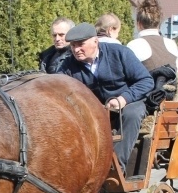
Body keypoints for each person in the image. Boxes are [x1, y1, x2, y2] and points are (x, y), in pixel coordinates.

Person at [58, 22, 153, 173]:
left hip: (128, 103)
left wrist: (123, 99)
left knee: (132, 114)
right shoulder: (68, 65)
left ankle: (115, 168)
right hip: (93, 109)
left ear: (95, 41)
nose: (76, 50)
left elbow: (146, 81)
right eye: (73, 45)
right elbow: (58, 87)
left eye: (81, 44)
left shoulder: (120, 53)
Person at [126, 0, 178, 101]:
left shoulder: (134, 44)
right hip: (171, 101)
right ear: (159, 25)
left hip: (145, 102)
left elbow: (127, 78)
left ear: (138, 24)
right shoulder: (172, 44)